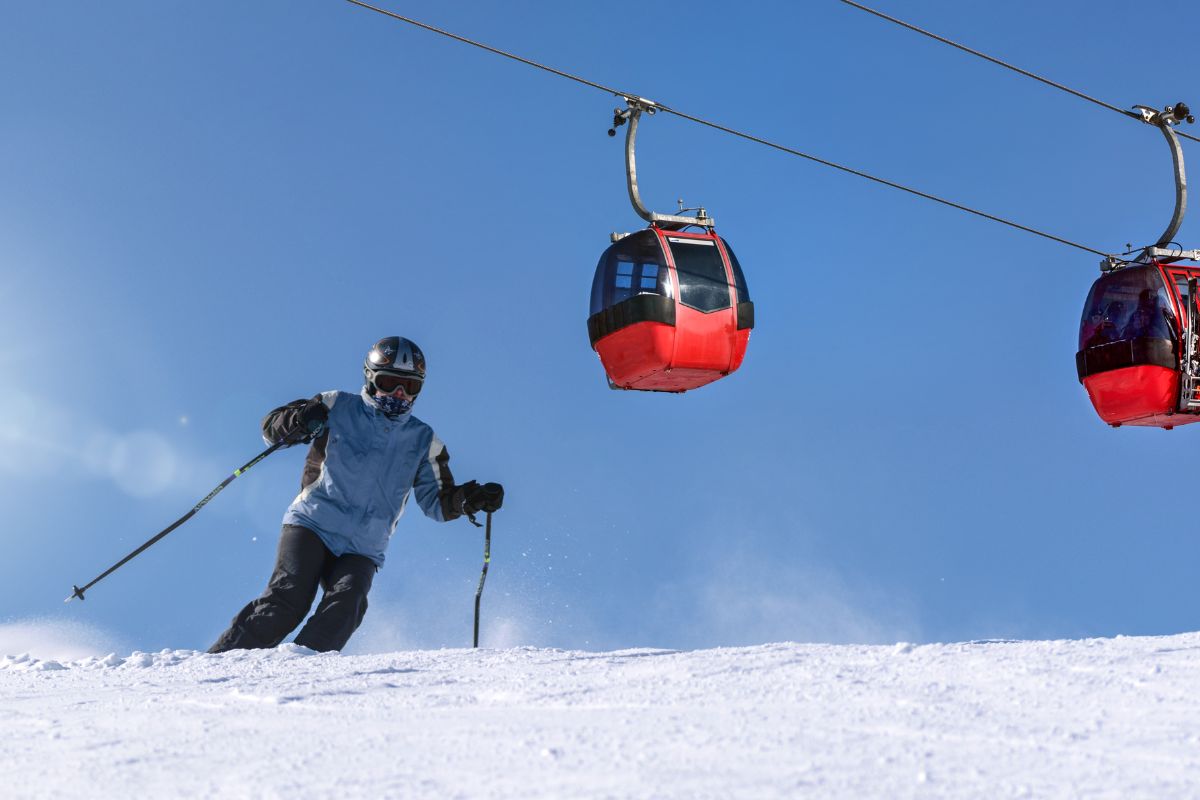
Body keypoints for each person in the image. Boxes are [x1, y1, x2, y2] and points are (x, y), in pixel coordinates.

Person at [208, 336, 503, 654]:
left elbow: (438, 503)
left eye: (409, 387)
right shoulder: (337, 405)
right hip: (313, 523)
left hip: (363, 546)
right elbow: (272, 429)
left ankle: (298, 673)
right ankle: (219, 665)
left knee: (347, 607)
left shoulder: (423, 440)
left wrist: (469, 499)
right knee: (287, 601)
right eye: (389, 382)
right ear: (370, 378)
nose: (399, 394)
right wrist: (302, 420)